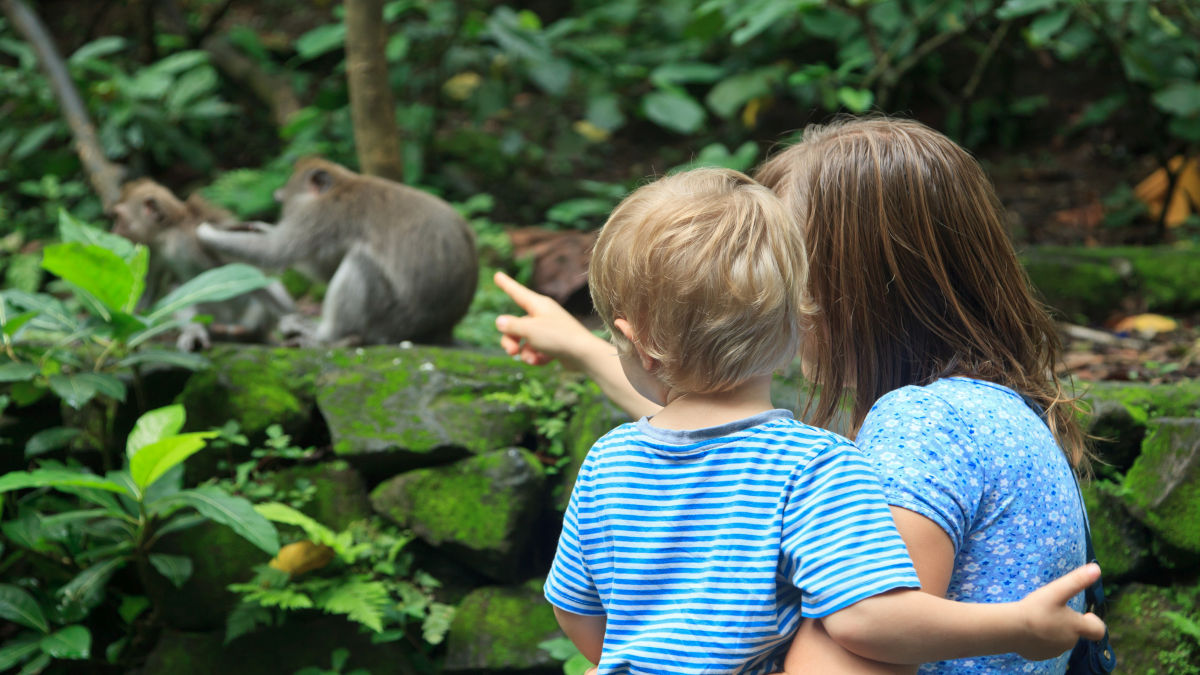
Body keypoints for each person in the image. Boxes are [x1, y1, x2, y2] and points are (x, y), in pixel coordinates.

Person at [495, 116, 1094, 674]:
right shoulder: (981, 411)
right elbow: (717, 446)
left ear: (846, 278)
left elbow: (863, 620)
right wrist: (580, 346)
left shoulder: (924, 427)